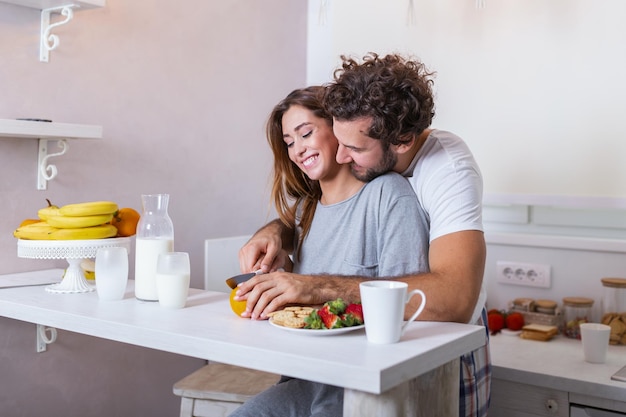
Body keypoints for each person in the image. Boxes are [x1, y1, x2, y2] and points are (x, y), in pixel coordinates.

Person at [237, 53, 491, 417]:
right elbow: (325, 214)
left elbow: (453, 300)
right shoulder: (337, 184)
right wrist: (278, 230)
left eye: (354, 148)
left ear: (401, 140)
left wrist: (314, 287)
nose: (341, 155)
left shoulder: (446, 171)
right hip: (326, 375)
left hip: (442, 344)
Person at [230, 86, 430, 417]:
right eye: (289, 142)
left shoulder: (389, 196)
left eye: (305, 133)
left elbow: (407, 305)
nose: (297, 150)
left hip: (364, 384)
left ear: (338, 127)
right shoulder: (306, 209)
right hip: (305, 379)